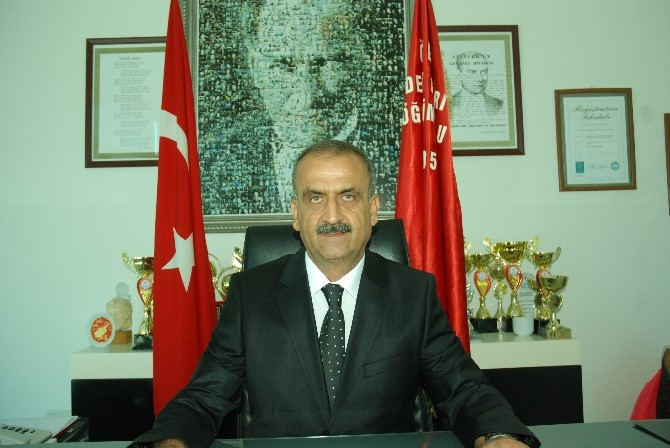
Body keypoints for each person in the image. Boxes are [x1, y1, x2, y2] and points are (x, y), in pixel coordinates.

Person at [133, 140, 539, 448]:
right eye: (315, 198)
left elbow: (463, 389)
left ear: (372, 209)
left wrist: (498, 435)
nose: (332, 216)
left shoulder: (412, 294)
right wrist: (171, 442)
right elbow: (203, 399)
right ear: (296, 214)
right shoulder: (251, 296)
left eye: (348, 196)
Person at [197, 0, 404, 215]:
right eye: (283, 65)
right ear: (254, 65)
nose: (305, 96)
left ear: (364, 60)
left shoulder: (406, 159)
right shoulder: (215, 162)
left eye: (324, 63)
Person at [450, 51, 504, 120]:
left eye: (484, 72)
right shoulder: (447, 104)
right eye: (472, 72)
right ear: (459, 76)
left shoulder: (500, 104)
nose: (480, 78)